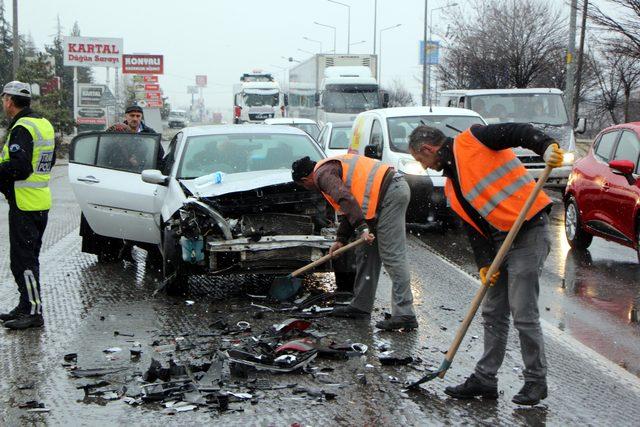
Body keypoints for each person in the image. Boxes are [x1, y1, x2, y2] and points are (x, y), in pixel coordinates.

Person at [407, 123, 564, 405]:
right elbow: (473, 230)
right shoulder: (453, 187)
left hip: (528, 229)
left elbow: (518, 132)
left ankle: (536, 381)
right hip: (500, 242)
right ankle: (485, 379)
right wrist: (484, 263)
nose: (426, 167)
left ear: (428, 149)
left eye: (422, 160)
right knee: (493, 312)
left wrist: (546, 146)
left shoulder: (475, 138)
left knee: (522, 310)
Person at [291, 154, 418, 331]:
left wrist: (362, 228)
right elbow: (350, 206)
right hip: (381, 196)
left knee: (392, 254)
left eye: (304, 186)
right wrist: (341, 239)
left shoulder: (322, 175)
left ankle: (405, 314)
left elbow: (345, 199)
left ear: (306, 179)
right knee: (365, 252)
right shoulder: (329, 168)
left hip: (391, 193)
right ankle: (361, 306)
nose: (309, 189)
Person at [0, 81, 56, 330]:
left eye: (4, 99)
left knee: (25, 261)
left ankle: (34, 311)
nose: (3, 103)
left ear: (9, 101)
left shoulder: (22, 128)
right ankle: (25, 305)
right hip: (37, 201)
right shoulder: (42, 123)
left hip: (25, 204)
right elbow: (49, 160)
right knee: (21, 260)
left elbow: (20, 168)